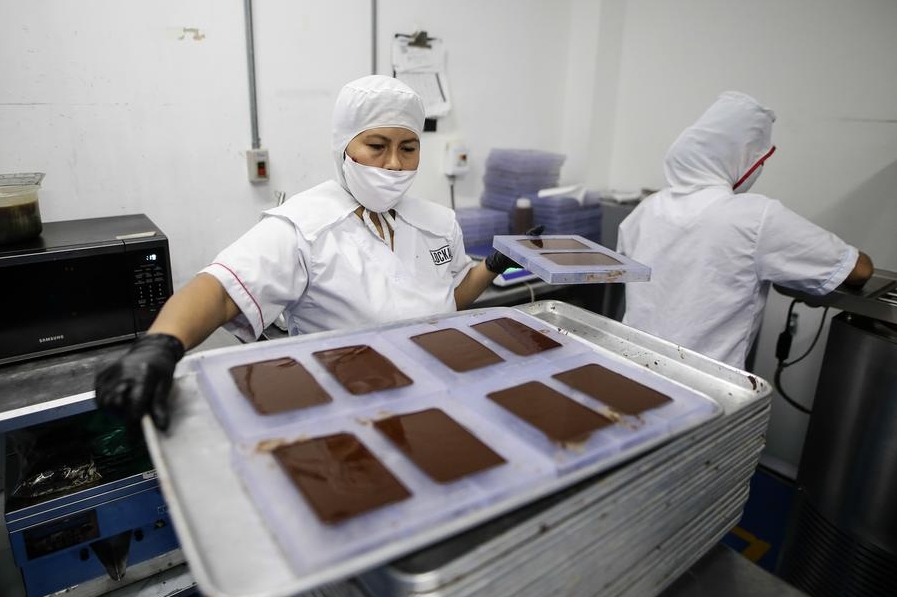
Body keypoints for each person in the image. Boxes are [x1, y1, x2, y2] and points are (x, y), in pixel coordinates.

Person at [95, 75, 521, 430]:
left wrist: (494, 264)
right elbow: (222, 289)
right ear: (345, 149)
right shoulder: (304, 226)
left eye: (408, 148)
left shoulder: (437, 222)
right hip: (344, 415)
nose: (394, 164)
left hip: (438, 399)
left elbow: (450, 298)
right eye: (377, 146)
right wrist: (161, 345)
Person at [616, 91, 873, 370]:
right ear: (739, 159)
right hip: (700, 387)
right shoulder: (755, 217)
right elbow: (859, 270)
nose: (759, 168)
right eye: (758, 161)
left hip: (630, 369)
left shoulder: (648, 207)